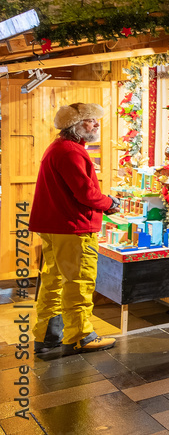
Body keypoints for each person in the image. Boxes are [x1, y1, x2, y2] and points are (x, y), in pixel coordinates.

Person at [30, 103, 120, 357]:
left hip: (54, 226)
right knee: (78, 281)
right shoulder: (72, 152)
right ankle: (80, 336)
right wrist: (110, 203)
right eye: (90, 121)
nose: (96, 125)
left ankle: (48, 336)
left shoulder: (57, 147)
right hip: (73, 227)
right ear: (76, 126)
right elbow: (86, 194)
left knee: (53, 282)